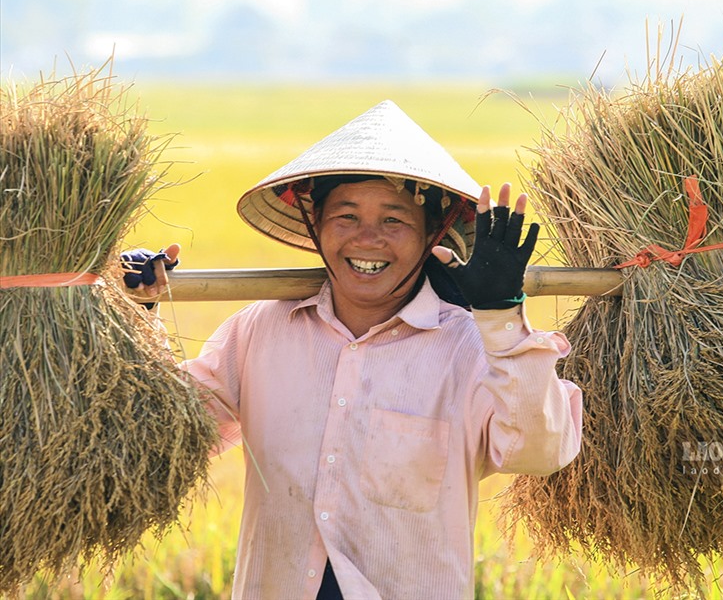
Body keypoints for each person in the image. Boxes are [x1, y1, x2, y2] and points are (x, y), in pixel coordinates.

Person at [124, 100, 583, 600]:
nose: (368, 239)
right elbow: (165, 436)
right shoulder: (262, 330)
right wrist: (138, 314)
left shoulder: (470, 347)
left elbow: (539, 452)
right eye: (346, 216)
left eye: (394, 221)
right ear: (315, 223)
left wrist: (500, 314)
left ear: (432, 235)